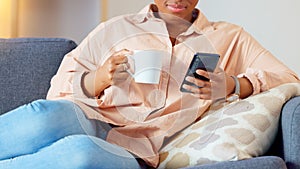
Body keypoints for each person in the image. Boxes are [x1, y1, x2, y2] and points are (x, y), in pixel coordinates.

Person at [0, 0, 299, 168]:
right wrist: (100, 78)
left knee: (80, 153)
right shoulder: (116, 29)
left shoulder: (229, 37)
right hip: (92, 118)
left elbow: (289, 78)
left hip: (138, 150)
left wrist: (233, 84)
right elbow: (58, 88)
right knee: (45, 114)